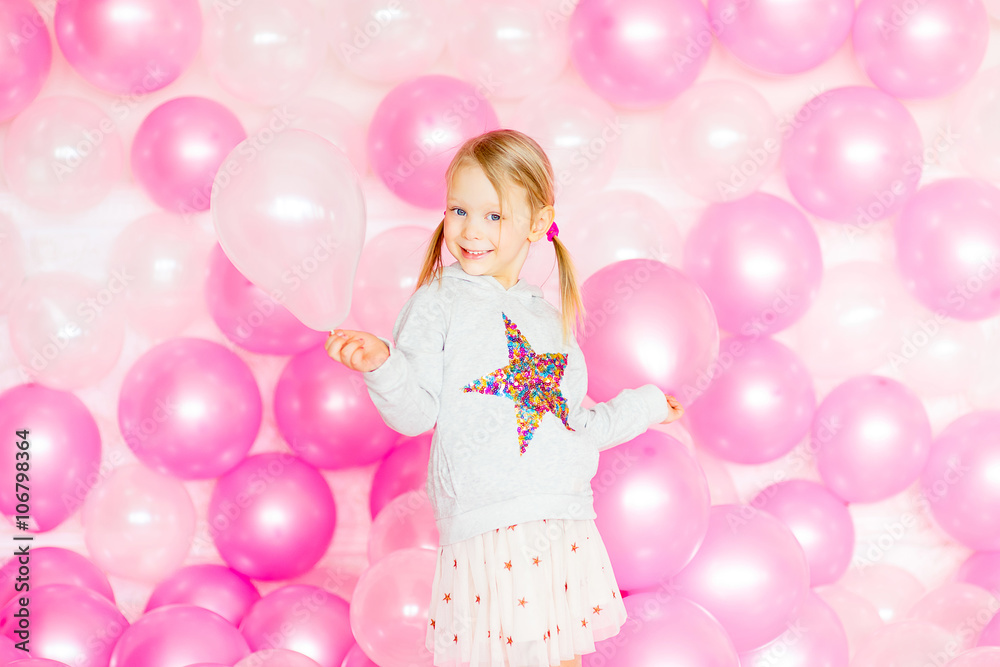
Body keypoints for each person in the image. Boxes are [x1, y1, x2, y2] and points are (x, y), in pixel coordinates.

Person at [325, 129, 684, 667]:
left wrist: (646, 407)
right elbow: (417, 411)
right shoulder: (439, 301)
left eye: (494, 216)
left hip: (560, 520)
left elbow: (575, 424)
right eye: (459, 211)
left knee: (562, 660)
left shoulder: (546, 315)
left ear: (537, 223)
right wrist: (384, 366)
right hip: (488, 525)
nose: (471, 231)